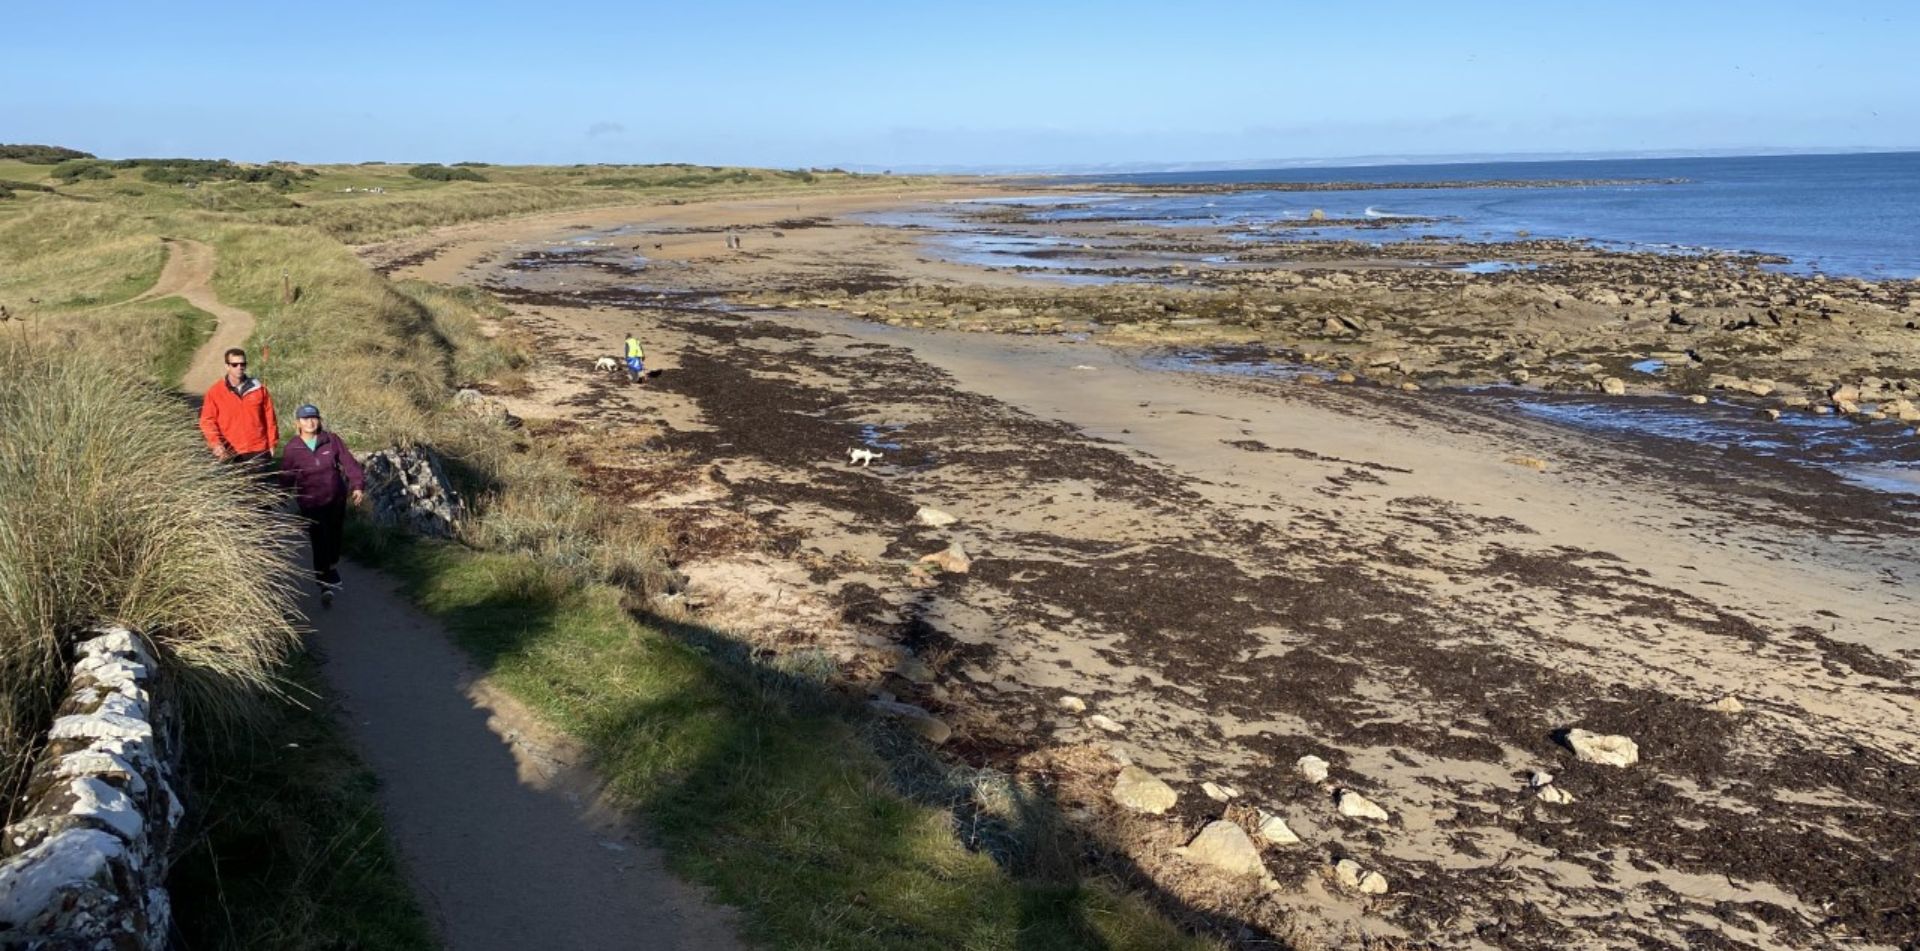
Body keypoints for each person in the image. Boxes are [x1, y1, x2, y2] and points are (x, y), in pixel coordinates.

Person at [278, 404, 366, 592]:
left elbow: (349, 463)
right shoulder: (292, 448)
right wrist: (282, 496)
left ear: (319, 420)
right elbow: (287, 475)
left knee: (334, 538)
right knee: (319, 540)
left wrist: (357, 486)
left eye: (314, 418)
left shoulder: (331, 440)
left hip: (336, 498)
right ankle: (324, 582)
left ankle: (331, 565)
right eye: (305, 419)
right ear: (298, 423)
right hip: (310, 503)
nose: (310, 422)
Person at [199, 347, 278, 472]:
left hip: (258, 449)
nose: (239, 367)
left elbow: (270, 417)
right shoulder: (215, 392)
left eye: (243, 364)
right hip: (231, 451)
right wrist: (216, 444)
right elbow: (207, 421)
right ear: (227, 366)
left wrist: (272, 443)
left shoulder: (259, 389)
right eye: (234, 364)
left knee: (261, 490)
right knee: (237, 491)